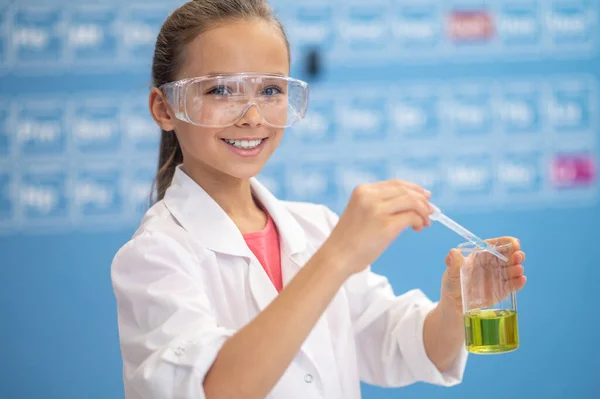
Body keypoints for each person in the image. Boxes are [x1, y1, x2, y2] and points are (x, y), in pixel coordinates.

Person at [110, 1, 528, 398]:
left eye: (271, 90)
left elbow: (402, 348)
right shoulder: (154, 256)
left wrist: (455, 306)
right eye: (222, 90)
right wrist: (336, 257)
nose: (252, 116)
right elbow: (217, 389)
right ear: (164, 108)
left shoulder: (313, 228)